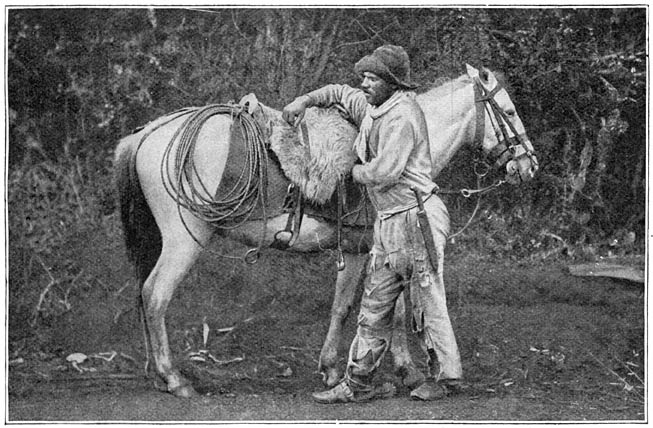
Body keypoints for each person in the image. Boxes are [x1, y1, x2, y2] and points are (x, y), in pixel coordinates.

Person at [282, 45, 463, 403]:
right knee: (375, 302)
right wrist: (302, 101)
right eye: (363, 76)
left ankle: (446, 379)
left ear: (391, 83)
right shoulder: (374, 106)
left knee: (426, 299)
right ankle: (358, 382)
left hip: (416, 217)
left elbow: (385, 171)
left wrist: (348, 169)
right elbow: (336, 93)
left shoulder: (403, 116)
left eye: (372, 77)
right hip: (390, 221)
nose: (363, 83)